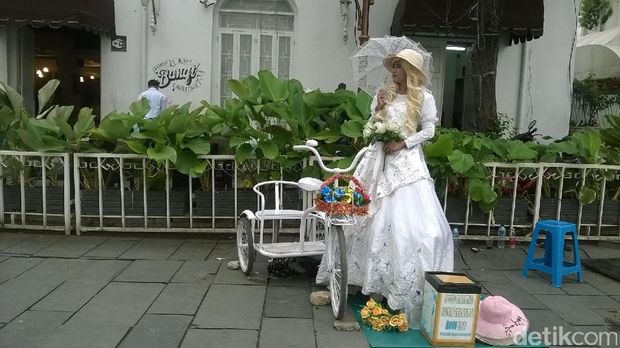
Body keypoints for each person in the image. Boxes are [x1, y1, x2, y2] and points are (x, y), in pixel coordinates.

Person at [316, 48, 454, 326]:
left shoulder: (424, 97)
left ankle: (405, 283)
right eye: (393, 66)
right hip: (379, 161)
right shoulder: (385, 94)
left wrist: (403, 143)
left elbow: (429, 131)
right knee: (368, 216)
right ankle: (366, 278)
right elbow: (373, 125)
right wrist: (378, 109)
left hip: (408, 164)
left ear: (411, 71)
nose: (394, 71)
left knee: (415, 226)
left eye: (399, 67)